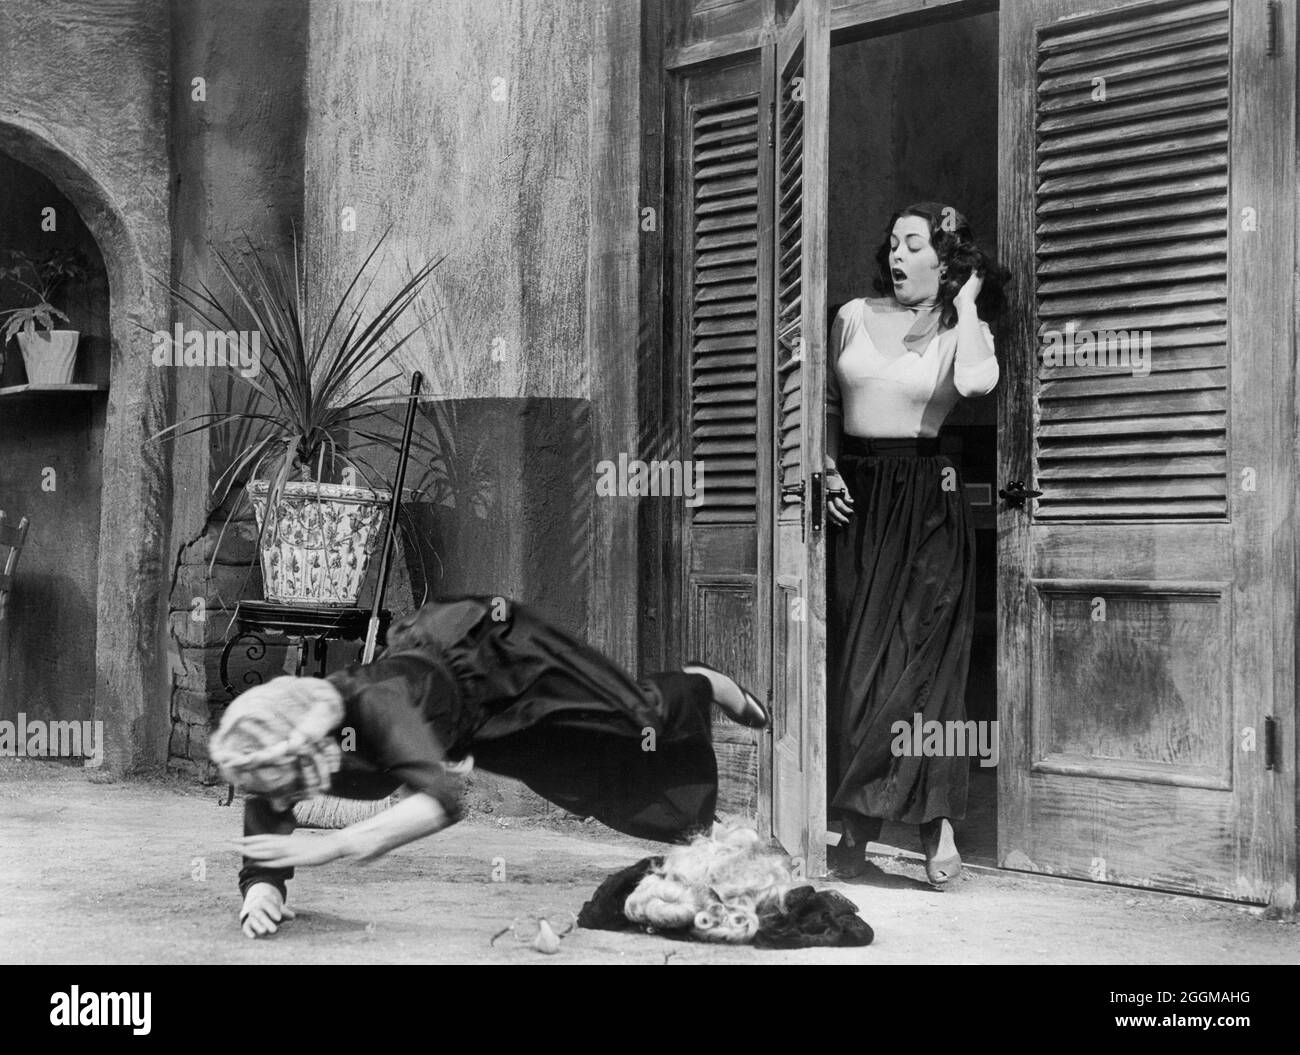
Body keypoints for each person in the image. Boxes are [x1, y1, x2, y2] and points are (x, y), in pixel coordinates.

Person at [210, 594, 768, 938]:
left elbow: (447, 801)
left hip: (494, 654)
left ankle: (699, 681)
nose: (284, 801)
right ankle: (700, 827)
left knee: (633, 716)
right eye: (277, 790)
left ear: (302, 742)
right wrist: (263, 892)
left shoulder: (378, 707)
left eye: (286, 785)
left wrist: (330, 847)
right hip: (467, 724)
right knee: (581, 779)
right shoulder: (287, 752)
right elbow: (268, 812)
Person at [824, 202, 1006, 884]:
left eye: (914, 243)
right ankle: (858, 824)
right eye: (893, 241)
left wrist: (966, 301)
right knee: (862, 663)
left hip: (930, 497)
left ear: (944, 257)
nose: (897, 254)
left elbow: (977, 383)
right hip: (858, 500)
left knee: (926, 664)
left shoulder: (961, 324)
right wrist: (825, 462)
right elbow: (822, 401)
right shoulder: (850, 314)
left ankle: (936, 827)